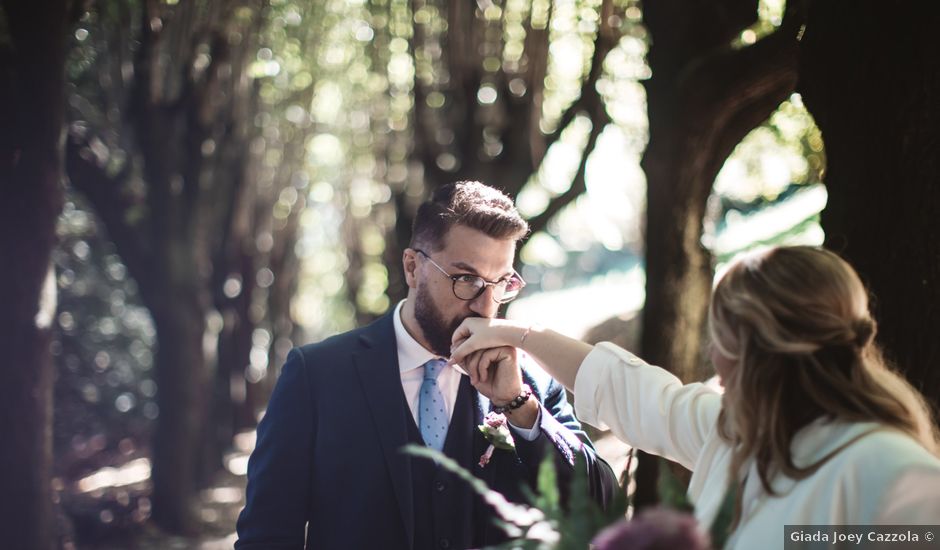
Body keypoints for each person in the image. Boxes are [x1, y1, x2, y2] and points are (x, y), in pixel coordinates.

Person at [449, 246, 940, 549]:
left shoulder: (890, 470)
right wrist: (516, 334)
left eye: (719, 337)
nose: (710, 353)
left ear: (756, 350)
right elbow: (632, 392)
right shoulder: (736, 430)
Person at [236, 181, 617, 550]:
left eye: (501, 283)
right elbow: (267, 537)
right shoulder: (316, 377)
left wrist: (519, 407)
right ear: (413, 268)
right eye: (466, 279)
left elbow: (602, 514)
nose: (486, 307)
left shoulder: (529, 381)